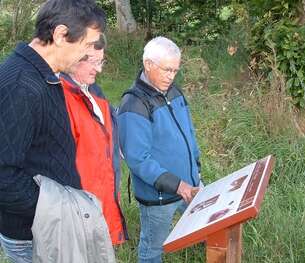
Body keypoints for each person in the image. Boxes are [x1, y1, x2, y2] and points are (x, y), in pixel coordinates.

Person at [0, 0, 106, 262]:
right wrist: (64, 209)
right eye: (85, 45)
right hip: (36, 235)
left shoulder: (43, 74)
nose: (86, 55)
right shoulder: (21, 85)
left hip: (48, 226)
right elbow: (4, 178)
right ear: (60, 35)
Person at [117, 36, 202, 263]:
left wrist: (196, 170)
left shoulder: (175, 92)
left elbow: (189, 133)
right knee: (153, 250)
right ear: (148, 65)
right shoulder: (134, 104)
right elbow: (137, 159)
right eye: (167, 70)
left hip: (191, 184)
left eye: (175, 70)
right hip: (160, 197)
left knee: (207, 229)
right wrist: (176, 184)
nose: (171, 76)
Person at [59, 34, 128, 245]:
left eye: (101, 61)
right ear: (73, 58)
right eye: (94, 62)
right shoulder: (59, 98)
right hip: (78, 215)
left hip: (102, 204)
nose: (99, 69)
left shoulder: (94, 92)